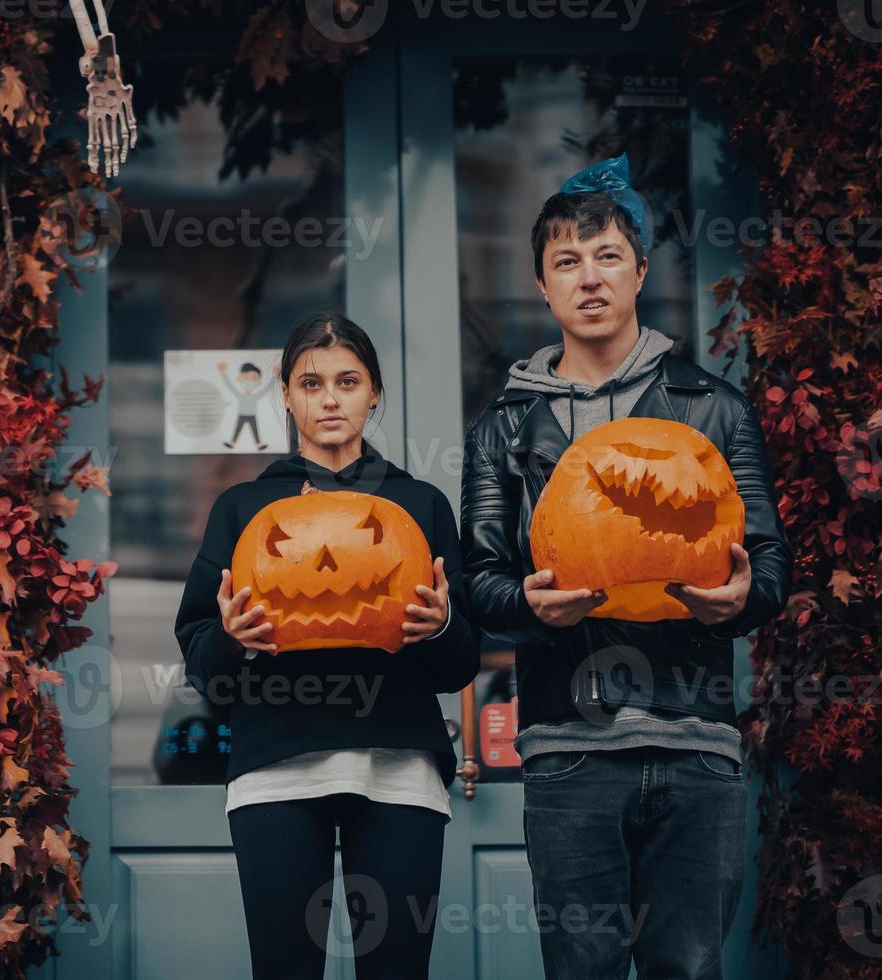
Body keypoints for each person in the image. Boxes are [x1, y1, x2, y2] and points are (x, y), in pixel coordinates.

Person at [460, 154, 793, 979]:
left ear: (640, 270)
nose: (589, 278)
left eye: (607, 256)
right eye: (566, 262)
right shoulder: (506, 426)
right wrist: (531, 606)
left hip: (694, 735)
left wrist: (741, 598)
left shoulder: (712, 407)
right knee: (583, 969)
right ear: (542, 287)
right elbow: (479, 580)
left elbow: (770, 567)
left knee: (687, 967)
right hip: (569, 745)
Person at [175, 313, 481, 979]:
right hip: (275, 762)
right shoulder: (244, 509)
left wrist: (438, 629)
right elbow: (201, 662)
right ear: (285, 396)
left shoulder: (418, 504)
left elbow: (459, 663)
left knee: (396, 970)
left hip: (397, 762)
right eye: (311, 383)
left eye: (348, 381)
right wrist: (231, 642)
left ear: (374, 393)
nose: (330, 398)